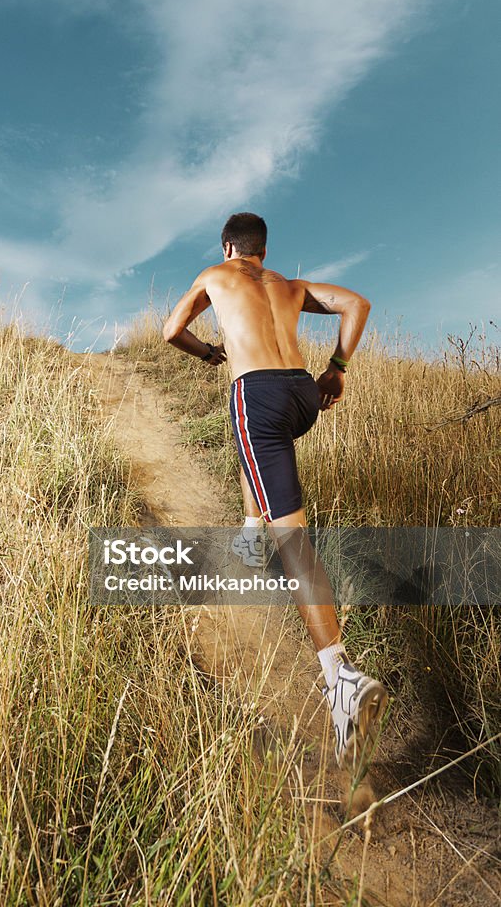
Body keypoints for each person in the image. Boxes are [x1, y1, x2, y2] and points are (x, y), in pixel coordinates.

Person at [162, 211, 388, 771]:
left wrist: (207, 353)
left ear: (228, 246)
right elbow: (357, 304)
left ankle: (340, 679)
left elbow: (170, 331)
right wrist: (336, 368)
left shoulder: (215, 274)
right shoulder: (288, 285)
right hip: (301, 395)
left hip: (257, 395)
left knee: (294, 541)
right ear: (262, 250)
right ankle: (247, 531)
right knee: (256, 450)